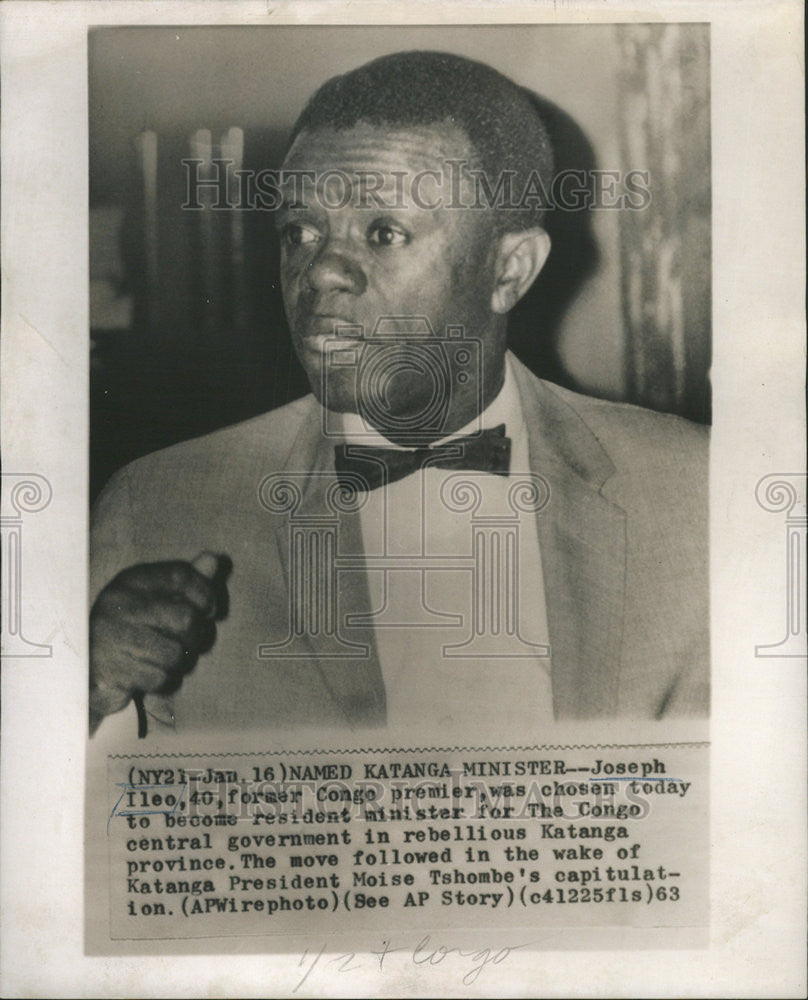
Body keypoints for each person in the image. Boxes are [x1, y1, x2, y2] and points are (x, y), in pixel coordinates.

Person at [89, 50, 709, 737]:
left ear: (510, 269)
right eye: (299, 232)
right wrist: (85, 687)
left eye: (384, 232)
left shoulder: (691, 496)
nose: (320, 272)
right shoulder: (155, 509)